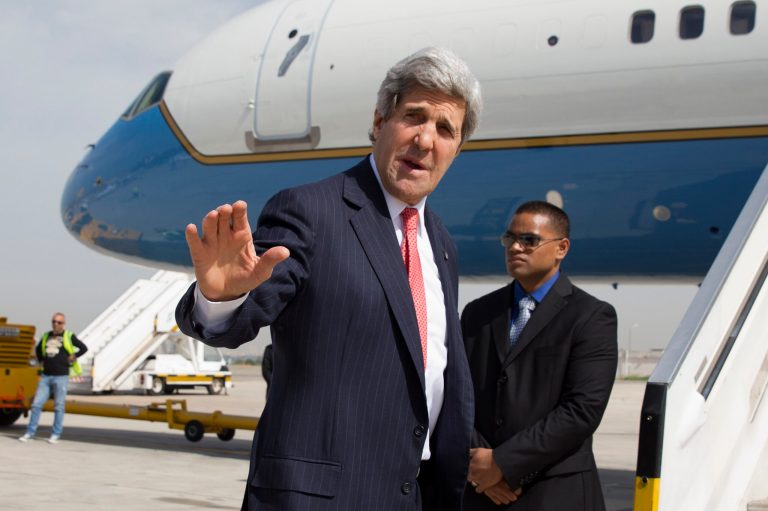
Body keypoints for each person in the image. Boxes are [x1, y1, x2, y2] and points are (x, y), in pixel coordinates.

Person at [176, 47, 481, 510]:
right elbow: (245, 317)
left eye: (445, 129)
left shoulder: (441, 242)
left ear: (458, 149)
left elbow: (435, 367)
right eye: (413, 116)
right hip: (321, 498)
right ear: (380, 121)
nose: (425, 140)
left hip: (415, 495)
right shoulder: (310, 211)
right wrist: (222, 298)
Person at [462, 201, 618, 510]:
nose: (516, 247)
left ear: (562, 248)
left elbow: (582, 410)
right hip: (481, 493)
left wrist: (503, 464)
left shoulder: (591, 316)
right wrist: (481, 465)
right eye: (510, 239)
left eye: (529, 240)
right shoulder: (477, 313)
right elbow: (456, 394)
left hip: (556, 492)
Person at [19, 312, 88, 444]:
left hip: (61, 376)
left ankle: (56, 434)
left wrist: (74, 356)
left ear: (64, 324)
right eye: (54, 322)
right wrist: (41, 362)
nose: (56, 324)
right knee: (36, 405)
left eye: (59, 322)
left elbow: (84, 348)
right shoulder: (46, 336)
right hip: (46, 376)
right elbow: (38, 350)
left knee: (59, 406)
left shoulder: (68, 336)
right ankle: (30, 432)